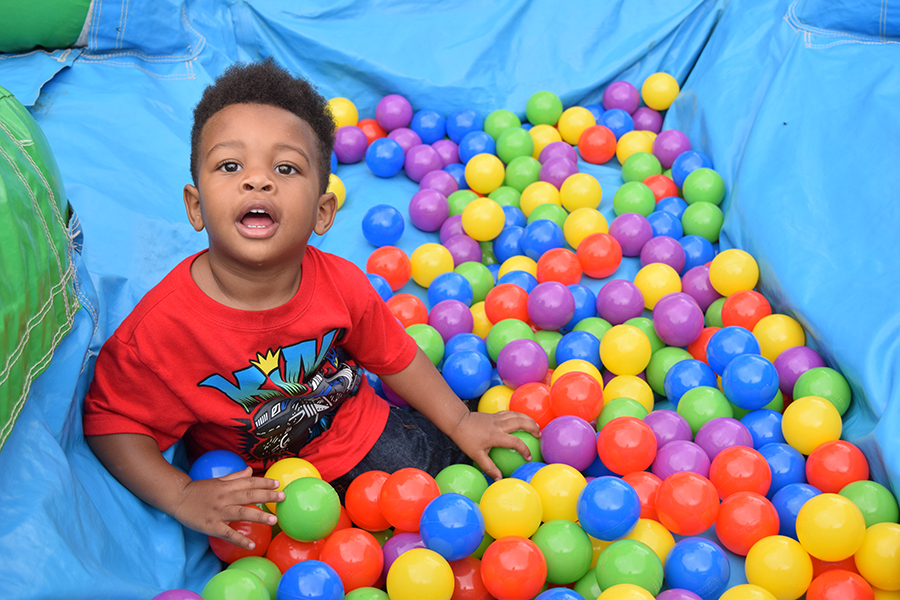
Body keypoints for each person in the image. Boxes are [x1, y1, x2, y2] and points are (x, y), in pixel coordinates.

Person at [83, 58, 538, 551]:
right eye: (230, 165)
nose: (258, 182)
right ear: (195, 206)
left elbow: (395, 356)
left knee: (449, 501)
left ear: (323, 213)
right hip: (261, 494)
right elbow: (112, 423)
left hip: (360, 439)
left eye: (285, 168)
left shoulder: (340, 283)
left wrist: (461, 421)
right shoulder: (161, 329)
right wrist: (183, 494)